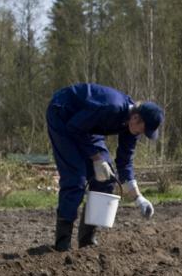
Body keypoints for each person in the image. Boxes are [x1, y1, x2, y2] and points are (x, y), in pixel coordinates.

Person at [46, 83, 164, 251]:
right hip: (63, 115)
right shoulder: (111, 107)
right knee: (76, 178)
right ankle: (62, 243)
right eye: (142, 130)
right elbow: (74, 127)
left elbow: (125, 161)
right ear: (136, 118)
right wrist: (96, 157)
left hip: (87, 126)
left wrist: (139, 198)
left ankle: (87, 241)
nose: (140, 134)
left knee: (107, 179)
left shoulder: (131, 127)